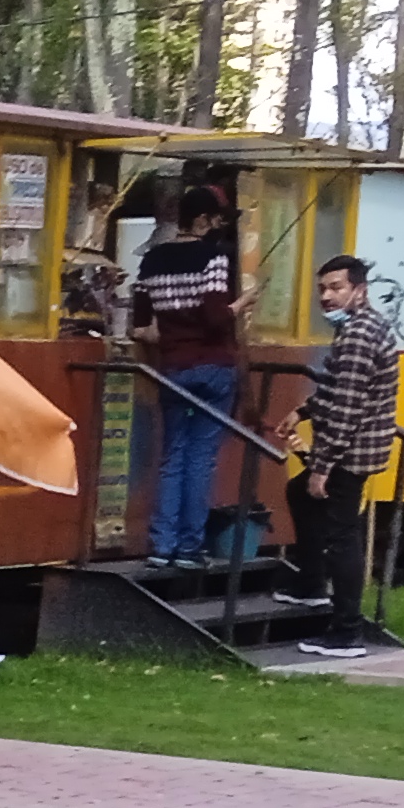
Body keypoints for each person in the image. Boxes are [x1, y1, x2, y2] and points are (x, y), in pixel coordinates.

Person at [283, 253, 401, 662]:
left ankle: (346, 630)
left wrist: (321, 466)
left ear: (359, 290)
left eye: (336, 288)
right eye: (322, 289)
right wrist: (302, 411)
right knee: (300, 495)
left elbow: (347, 407)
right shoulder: (361, 327)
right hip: (356, 447)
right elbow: (336, 389)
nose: (327, 297)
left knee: (341, 535)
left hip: (350, 452)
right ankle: (311, 584)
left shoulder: (357, 336)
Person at [132, 183, 243, 565]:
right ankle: (189, 547)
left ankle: (161, 547)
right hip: (213, 368)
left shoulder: (151, 261)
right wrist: (243, 302)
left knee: (172, 457)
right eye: (216, 219)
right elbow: (216, 318)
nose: (219, 226)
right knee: (201, 459)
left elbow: (140, 326)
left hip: (172, 369)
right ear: (200, 220)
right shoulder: (214, 257)